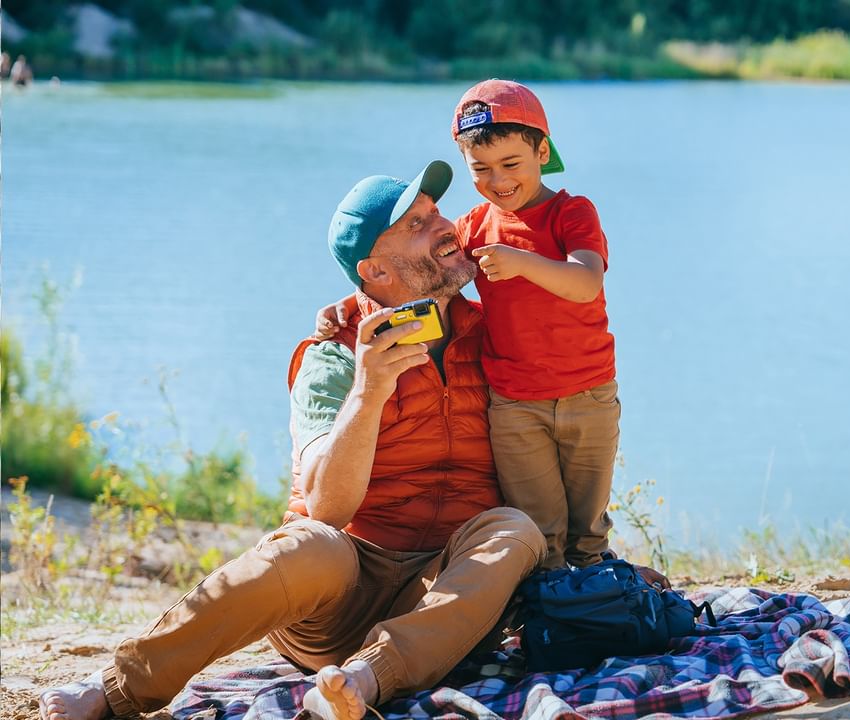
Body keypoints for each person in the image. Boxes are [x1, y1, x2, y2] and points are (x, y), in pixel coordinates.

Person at [38, 163, 546, 720]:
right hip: (335, 600)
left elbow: (571, 403)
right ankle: (117, 687)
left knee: (513, 530)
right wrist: (369, 390)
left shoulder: (495, 329)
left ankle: (363, 682)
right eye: (416, 223)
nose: (444, 225)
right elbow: (329, 507)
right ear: (374, 269)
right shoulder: (333, 355)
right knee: (313, 545)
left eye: (435, 212)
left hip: (443, 599)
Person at [319, 80, 621, 573]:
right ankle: (547, 616)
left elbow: (586, 283)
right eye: (480, 169)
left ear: (541, 151)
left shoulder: (572, 211)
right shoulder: (477, 225)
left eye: (511, 164)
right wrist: (350, 301)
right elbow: (410, 266)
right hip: (515, 405)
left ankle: (596, 604)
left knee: (587, 528)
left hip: (588, 392)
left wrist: (520, 262)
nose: (498, 180)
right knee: (540, 527)